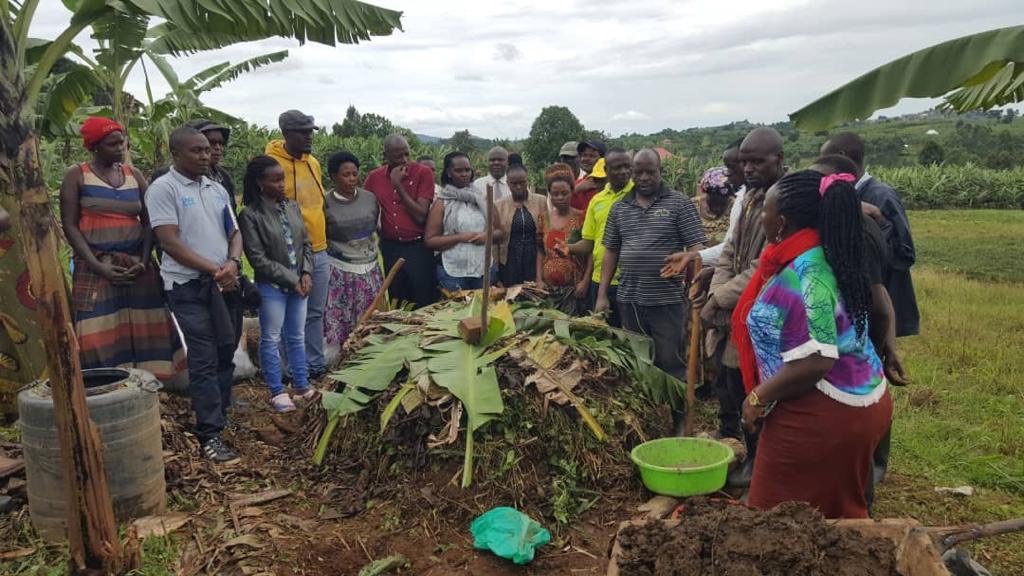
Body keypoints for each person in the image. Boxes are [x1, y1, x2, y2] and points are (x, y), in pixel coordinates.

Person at [737, 169, 893, 519]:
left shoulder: (807, 275)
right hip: (858, 399)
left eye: (766, 209)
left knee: (772, 515)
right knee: (835, 511)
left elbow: (815, 361)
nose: (762, 215)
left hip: (824, 410)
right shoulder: (824, 255)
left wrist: (756, 397)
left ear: (782, 222)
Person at [60, 116, 186, 382]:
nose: (120, 148)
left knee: (145, 325)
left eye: (122, 142)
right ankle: (105, 383)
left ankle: (146, 383)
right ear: (94, 146)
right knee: (99, 329)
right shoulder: (77, 175)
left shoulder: (133, 175)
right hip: (96, 264)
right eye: (112, 143)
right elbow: (70, 226)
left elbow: (151, 220)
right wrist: (98, 267)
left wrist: (143, 260)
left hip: (136, 264)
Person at [147, 126, 243, 464]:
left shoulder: (216, 189)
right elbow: (169, 242)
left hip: (224, 282)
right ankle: (210, 433)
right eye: (197, 150)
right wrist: (214, 269)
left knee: (226, 348)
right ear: (176, 154)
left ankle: (222, 412)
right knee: (202, 357)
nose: (205, 155)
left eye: (207, 150)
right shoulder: (164, 189)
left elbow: (234, 231)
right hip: (189, 287)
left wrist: (231, 263)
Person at [596, 149, 707, 433]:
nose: (644, 178)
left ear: (661, 172)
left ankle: (680, 419)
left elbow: (698, 249)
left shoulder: (679, 204)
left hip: (666, 300)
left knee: (671, 361)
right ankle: (646, 421)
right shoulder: (620, 208)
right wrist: (602, 294)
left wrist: (691, 268)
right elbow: (611, 251)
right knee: (638, 362)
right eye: (639, 172)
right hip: (630, 299)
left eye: (650, 172)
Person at [701, 127, 785, 485]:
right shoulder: (750, 198)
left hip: (769, 309)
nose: (748, 168)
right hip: (738, 307)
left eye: (756, 161)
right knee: (733, 380)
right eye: (744, 162)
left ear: (778, 160)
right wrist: (717, 293)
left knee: (759, 389)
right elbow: (732, 250)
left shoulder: (784, 199)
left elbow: (764, 263)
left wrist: (719, 297)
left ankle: (762, 463)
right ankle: (749, 454)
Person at [821, 132, 919, 337]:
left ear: (842, 156)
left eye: (825, 160)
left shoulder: (880, 196)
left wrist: (879, 220)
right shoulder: (839, 195)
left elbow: (904, 254)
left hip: (880, 306)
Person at [238, 156, 314, 413]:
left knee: (296, 336)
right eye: (275, 180)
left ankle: (302, 385)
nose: (282, 184)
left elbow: (306, 243)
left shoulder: (291, 207)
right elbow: (257, 258)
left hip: (298, 284)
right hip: (273, 287)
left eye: (283, 179)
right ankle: (277, 390)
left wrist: (306, 272)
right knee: (270, 337)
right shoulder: (250, 215)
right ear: (260, 183)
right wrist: (292, 280)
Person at [265, 110, 330, 379]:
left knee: (315, 311)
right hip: (287, 252)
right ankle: (289, 369)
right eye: (303, 132)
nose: (309, 136)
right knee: (287, 313)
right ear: (286, 133)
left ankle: (314, 363)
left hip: (318, 247)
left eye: (311, 131)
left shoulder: (312, 162)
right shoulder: (271, 164)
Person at [364, 134, 437, 307]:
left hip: (418, 248)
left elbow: (420, 216)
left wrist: (397, 185)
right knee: (397, 299)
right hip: (391, 247)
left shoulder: (423, 173)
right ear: (386, 156)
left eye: (407, 154)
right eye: (398, 157)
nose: (405, 160)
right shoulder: (374, 178)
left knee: (424, 299)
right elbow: (367, 208)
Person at [323, 152, 383, 347]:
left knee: (371, 317)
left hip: (369, 269)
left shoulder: (369, 199)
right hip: (340, 271)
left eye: (354, 174)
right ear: (333, 177)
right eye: (345, 175)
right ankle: (341, 354)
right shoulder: (325, 203)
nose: (351, 179)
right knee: (342, 318)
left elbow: (376, 227)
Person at [568, 148, 632, 326]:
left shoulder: (637, 194)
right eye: (617, 168)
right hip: (599, 279)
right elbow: (589, 243)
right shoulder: (597, 200)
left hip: (629, 280)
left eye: (627, 167)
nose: (623, 172)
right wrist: (568, 248)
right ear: (607, 171)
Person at [424, 152, 503, 292]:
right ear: (449, 172)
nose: (464, 174)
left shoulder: (483, 199)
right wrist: (459, 237)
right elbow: (430, 240)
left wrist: (487, 236)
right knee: (457, 312)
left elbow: (500, 232)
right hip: (453, 272)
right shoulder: (442, 202)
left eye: (467, 170)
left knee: (484, 312)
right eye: (458, 170)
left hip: (483, 269)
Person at [537, 163, 588, 314]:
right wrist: (539, 280)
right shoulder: (543, 219)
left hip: (575, 289)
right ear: (549, 194)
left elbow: (591, 251)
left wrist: (585, 282)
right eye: (555, 194)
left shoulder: (582, 217)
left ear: (572, 191)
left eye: (564, 193)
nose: (560, 198)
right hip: (548, 290)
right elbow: (540, 250)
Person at [495, 164, 545, 286]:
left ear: (527, 180)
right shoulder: (499, 205)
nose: (518, 187)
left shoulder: (541, 201)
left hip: (534, 258)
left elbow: (547, 230)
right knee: (510, 296)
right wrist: (495, 270)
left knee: (534, 294)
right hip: (509, 260)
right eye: (514, 183)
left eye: (522, 183)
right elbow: (495, 242)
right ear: (507, 183)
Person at [694, 167, 738, 245]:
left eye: (724, 198)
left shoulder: (736, 207)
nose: (718, 204)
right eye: (714, 197)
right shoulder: (692, 206)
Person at [571, 140, 606, 214]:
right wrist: (576, 189)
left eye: (592, 156)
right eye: (584, 155)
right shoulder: (576, 184)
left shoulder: (609, 185)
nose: (586, 159)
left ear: (602, 160)